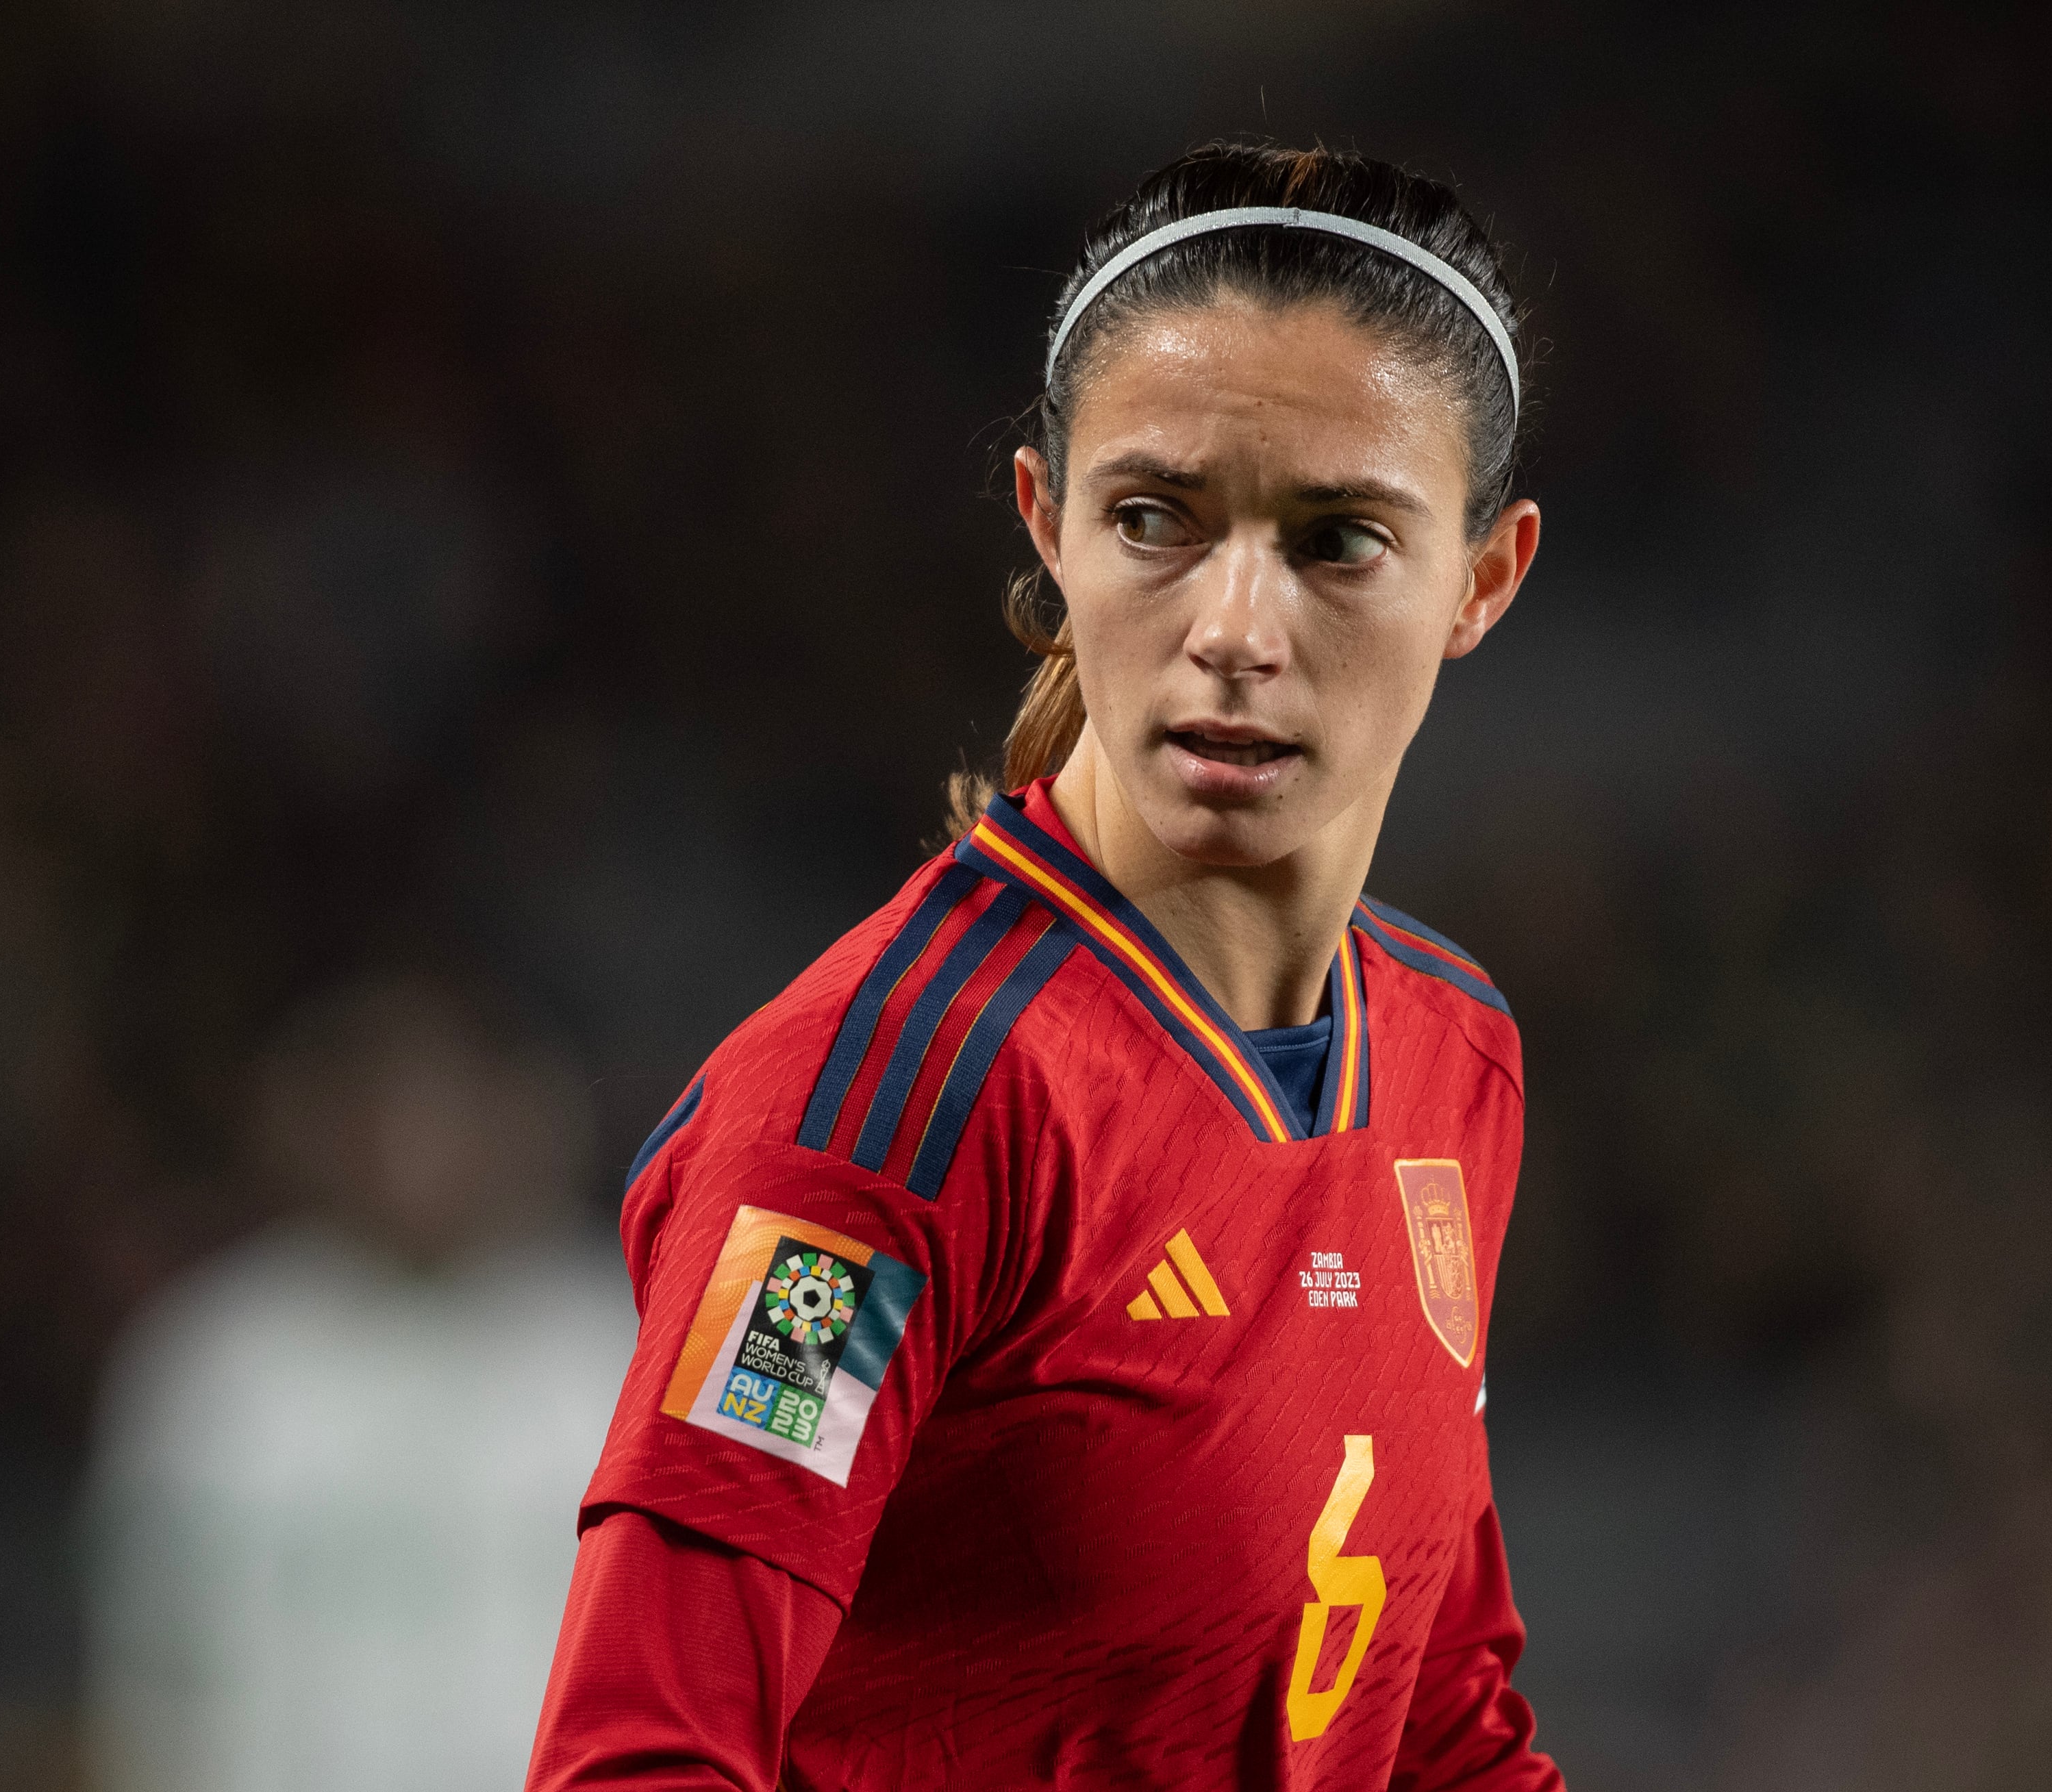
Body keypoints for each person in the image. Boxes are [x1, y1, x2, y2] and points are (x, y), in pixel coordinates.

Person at [527, 142, 1557, 1790]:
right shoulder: (877, 1116)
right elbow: (643, 1761)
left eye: (1338, 539)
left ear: (1483, 580)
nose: (1233, 622)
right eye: (1153, 515)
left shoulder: (1452, 1056)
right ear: (1047, 522)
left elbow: (1432, 1719)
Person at [86, 975, 634, 1792]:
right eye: (380, 1101)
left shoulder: (626, 1340)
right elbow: (149, 1666)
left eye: (453, 1101)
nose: (417, 1142)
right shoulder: (215, 1358)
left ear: (530, 1116)